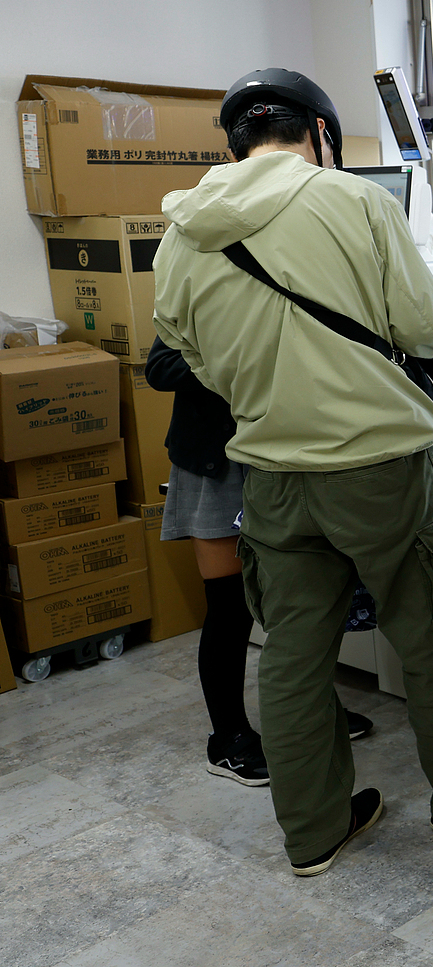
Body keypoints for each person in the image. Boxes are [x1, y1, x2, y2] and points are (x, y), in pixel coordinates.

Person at [152, 68, 433, 878]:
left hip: (272, 474)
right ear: (320, 133)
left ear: (237, 141)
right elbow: (425, 328)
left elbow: (189, 351)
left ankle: (313, 830)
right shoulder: (358, 204)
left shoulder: (182, 231)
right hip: (381, 465)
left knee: (290, 652)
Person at [144, 336, 373, 787]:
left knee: (303, 594)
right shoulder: (200, 278)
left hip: (282, 456)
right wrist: (243, 365)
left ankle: (311, 712)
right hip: (219, 463)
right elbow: (161, 367)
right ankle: (227, 739)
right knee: (229, 603)